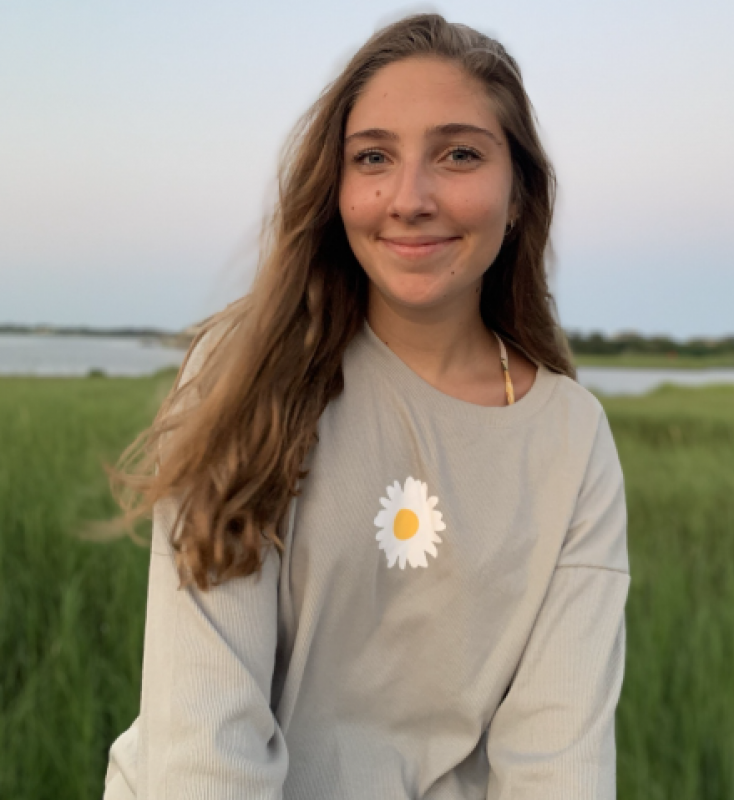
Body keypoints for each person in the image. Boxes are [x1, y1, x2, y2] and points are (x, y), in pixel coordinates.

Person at [104, 13, 629, 800]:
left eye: (458, 154)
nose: (409, 198)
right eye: (374, 157)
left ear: (519, 192)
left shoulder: (570, 437)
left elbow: (560, 763)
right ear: (336, 185)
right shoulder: (250, 372)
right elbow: (203, 746)